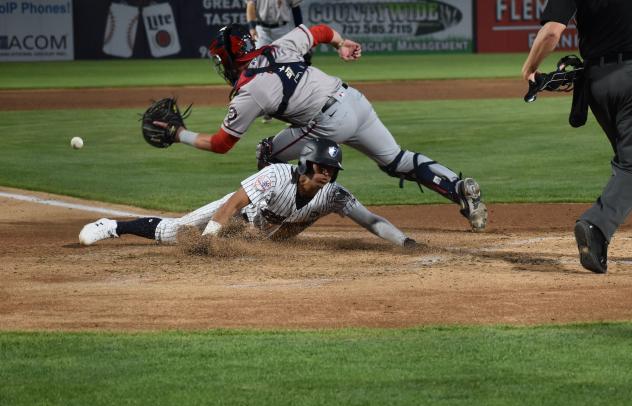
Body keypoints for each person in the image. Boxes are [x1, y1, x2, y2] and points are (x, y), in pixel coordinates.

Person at [153, 23, 487, 232]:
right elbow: (322, 31)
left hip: (327, 122)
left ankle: (270, 222)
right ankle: (459, 189)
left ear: (229, 56)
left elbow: (222, 143)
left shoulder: (249, 89)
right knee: (397, 160)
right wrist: (341, 43)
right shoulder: (280, 46)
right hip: (353, 99)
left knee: (268, 152)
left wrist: (177, 133)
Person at [79, 139, 416, 248]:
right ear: (306, 165)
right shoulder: (276, 175)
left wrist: (405, 242)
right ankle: (112, 226)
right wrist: (211, 238)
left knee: (258, 239)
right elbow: (234, 203)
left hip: (260, 232)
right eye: (322, 168)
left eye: (331, 170)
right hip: (235, 215)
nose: (327, 174)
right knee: (175, 233)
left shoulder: (333, 195)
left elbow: (372, 221)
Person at [521, 0, 632, 274]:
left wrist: (529, 67)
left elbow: (551, 32)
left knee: (627, 162)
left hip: (598, 84)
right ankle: (597, 226)